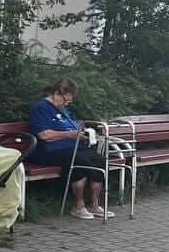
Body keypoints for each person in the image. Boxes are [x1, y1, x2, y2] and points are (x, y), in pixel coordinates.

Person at [28, 78, 114, 220]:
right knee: (80, 161)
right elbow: (44, 135)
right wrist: (69, 134)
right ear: (57, 92)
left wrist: (90, 130)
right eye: (65, 100)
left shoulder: (62, 108)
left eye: (69, 101)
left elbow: (72, 126)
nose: (67, 103)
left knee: (99, 160)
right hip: (48, 151)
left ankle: (95, 205)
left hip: (70, 147)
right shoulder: (40, 108)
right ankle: (78, 206)